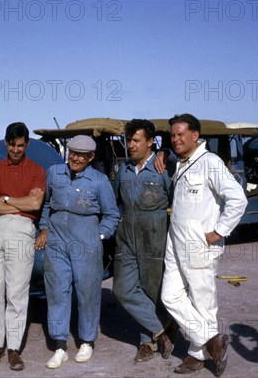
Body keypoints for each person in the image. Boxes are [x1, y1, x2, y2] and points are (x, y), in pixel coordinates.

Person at [159, 113, 247, 376]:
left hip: (199, 245)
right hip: (175, 243)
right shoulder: (183, 162)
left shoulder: (210, 163)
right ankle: (213, 341)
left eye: (180, 134)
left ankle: (198, 356)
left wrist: (219, 231)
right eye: (172, 135)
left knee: (203, 303)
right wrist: (163, 151)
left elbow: (238, 199)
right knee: (170, 296)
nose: (175, 139)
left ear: (195, 136)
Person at [35, 135, 120, 369]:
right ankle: (60, 345)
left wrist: (99, 235)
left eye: (80, 155)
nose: (74, 158)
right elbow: (47, 204)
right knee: (57, 291)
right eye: (71, 153)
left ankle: (86, 341)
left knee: (88, 292)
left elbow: (112, 215)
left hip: (87, 244)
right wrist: (44, 228)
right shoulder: (54, 173)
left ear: (91, 157)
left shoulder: (100, 181)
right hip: (57, 243)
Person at [0, 122, 46, 371]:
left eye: (20, 145)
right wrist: (21, 203)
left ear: (26, 144)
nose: (16, 149)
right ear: (6, 142)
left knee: (17, 293)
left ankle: (13, 348)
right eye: (12, 144)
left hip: (22, 231)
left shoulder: (37, 171)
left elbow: (35, 205)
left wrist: (5, 198)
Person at [112, 119, 178, 363]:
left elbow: (178, 203)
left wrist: (166, 152)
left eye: (136, 140)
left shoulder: (164, 168)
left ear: (151, 142)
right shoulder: (124, 170)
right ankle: (165, 328)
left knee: (152, 291)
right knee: (122, 288)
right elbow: (114, 201)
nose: (130, 145)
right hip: (126, 237)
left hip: (155, 236)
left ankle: (146, 342)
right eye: (128, 140)